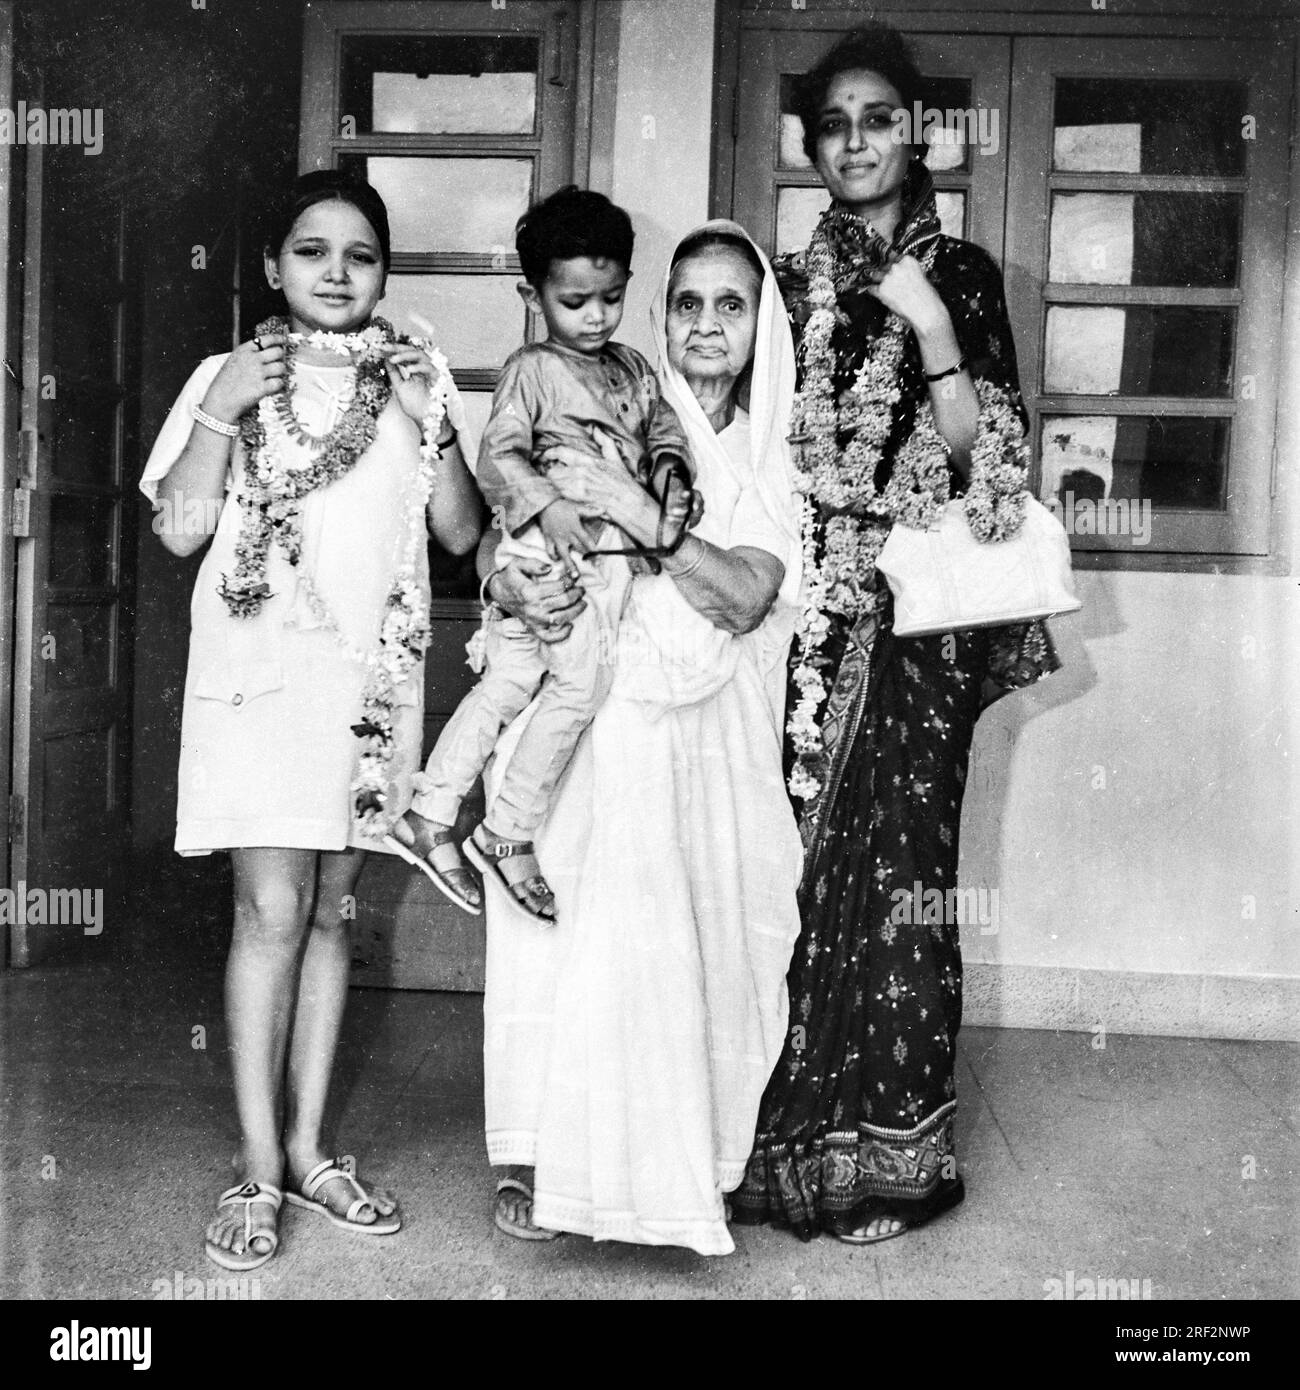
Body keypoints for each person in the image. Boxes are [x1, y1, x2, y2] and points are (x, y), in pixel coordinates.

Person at [730, 24, 1059, 1245]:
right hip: (794, 616)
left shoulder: (960, 274)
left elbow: (994, 468)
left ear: (916, 131)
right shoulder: (779, 282)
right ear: (810, 144)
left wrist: (925, 326)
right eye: (834, 123)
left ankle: (893, 1162)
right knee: (781, 874)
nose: (856, 140)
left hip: (908, 626)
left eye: (879, 117)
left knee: (898, 884)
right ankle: (765, 1146)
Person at [140, 171, 481, 1270]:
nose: (337, 272)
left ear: (385, 273)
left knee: (333, 912)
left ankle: (309, 1148)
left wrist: (437, 426)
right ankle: (254, 1166)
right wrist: (222, 404)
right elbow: (181, 533)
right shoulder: (224, 376)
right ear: (275, 269)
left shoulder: (414, 379)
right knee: (270, 909)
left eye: (361, 255)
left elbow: (462, 533)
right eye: (313, 251)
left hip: (368, 684)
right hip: (257, 670)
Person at [480, 221, 804, 1254]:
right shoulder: (608, 402)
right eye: (689, 304)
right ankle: (549, 1165)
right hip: (590, 703)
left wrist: (649, 521)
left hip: (710, 729)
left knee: (704, 936)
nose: (707, 326)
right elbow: (511, 524)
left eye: (732, 306)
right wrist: (508, 578)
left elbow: (749, 594)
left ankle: (681, 1170)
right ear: (659, 315)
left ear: (761, 327)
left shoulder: (772, 457)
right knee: (562, 939)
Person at [388, 186, 695, 923]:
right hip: (551, 548)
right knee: (579, 687)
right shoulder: (531, 367)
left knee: (511, 679)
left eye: (611, 298)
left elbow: (663, 432)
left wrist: (669, 472)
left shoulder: (633, 368)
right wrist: (550, 506)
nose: (594, 317)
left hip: (606, 550)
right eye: (575, 301)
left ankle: (430, 810)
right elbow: (499, 455)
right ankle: (508, 831)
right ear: (534, 295)